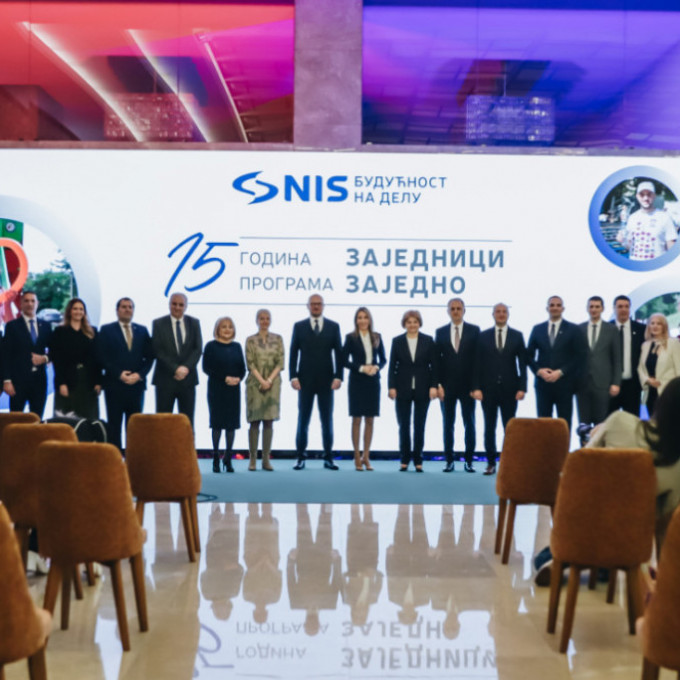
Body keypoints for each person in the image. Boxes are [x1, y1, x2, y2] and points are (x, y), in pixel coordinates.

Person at [587, 375, 680, 523]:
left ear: (662, 402)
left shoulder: (619, 421)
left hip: (590, 520)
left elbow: (580, 465)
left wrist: (599, 435)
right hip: (642, 532)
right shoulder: (676, 466)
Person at [471, 303, 527, 475]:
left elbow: (522, 364)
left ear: (508, 314)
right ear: (493, 314)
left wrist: (522, 387)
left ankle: (508, 462)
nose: (501, 314)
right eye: (498, 312)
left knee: (509, 428)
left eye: (504, 312)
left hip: (510, 389)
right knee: (489, 427)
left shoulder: (517, 336)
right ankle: (490, 462)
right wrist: (476, 388)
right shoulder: (483, 336)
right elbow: (476, 364)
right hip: (487, 390)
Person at [289, 294, 343, 471]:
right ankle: (300, 457)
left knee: (327, 420)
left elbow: (339, 354)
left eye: (319, 304)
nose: (316, 306)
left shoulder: (334, 327)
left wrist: (338, 376)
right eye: (313, 304)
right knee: (303, 419)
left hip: (327, 381)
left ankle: (328, 458)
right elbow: (293, 352)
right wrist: (293, 376)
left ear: (323, 306)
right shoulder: (299, 326)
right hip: (304, 381)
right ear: (308, 306)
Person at [97, 297, 154, 450]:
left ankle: (133, 460)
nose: (127, 309)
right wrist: (119, 374)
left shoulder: (142, 330)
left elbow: (150, 357)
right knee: (114, 426)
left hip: (136, 387)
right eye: (124, 307)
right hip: (114, 386)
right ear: (117, 310)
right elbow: (102, 357)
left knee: (134, 427)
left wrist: (140, 375)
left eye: (130, 307)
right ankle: (115, 460)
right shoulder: (106, 330)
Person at [527, 295, 587, 431]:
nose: (555, 308)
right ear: (547, 308)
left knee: (564, 424)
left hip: (565, 385)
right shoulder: (537, 329)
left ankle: (564, 447)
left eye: (558, 305)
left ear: (563, 308)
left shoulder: (573, 329)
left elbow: (580, 356)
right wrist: (539, 371)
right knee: (543, 425)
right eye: (552, 305)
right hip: (543, 385)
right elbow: (528, 356)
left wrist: (561, 372)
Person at [388, 310, 438, 472]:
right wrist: (391, 387)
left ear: (419, 323)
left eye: (415, 322)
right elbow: (392, 366)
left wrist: (433, 386)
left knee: (419, 425)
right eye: (409, 322)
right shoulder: (397, 341)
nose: (412, 325)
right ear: (404, 324)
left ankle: (418, 459)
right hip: (402, 388)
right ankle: (404, 459)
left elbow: (434, 366)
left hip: (423, 388)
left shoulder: (428, 340)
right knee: (404, 425)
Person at [435, 298, 479, 473]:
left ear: (464, 310)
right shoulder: (440, 332)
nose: (455, 311)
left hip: (468, 387)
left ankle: (469, 461)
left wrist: (476, 386)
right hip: (447, 387)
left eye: (458, 308)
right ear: (448, 311)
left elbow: (477, 361)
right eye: (452, 308)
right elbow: (436, 362)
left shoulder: (474, 331)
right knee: (448, 424)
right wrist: (438, 385)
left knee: (470, 423)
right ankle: (449, 461)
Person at [342, 307, 386, 471]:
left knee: (370, 419)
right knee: (356, 419)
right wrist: (361, 368)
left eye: (365, 317)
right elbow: (343, 360)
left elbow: (383, 359)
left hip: (373, 381)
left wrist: (376, 367)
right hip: (357, 381)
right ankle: (356, 456)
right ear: (356, 320)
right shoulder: (350, 338)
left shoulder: (377, 337)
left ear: (369, 320)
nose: (362, 320)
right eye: (359, 318)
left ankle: (366, 456)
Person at [151, 292, 203, 429]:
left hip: (188, 380)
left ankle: (187, 445)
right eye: (174, 304)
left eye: (181, 305)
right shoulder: (158, 323)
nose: (177, 307)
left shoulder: (194, 323)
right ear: (169, 304)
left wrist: (185, 368)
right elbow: (157, 350)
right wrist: (175, 368)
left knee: (187, 423)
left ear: (186, 306)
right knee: (162, 423)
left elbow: (198, 349)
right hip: (165, 380)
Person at [202, 317, 246, 473]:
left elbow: (242, 368)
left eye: (230, 327)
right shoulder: (210, 346)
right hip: (216, 389)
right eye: (224, 327)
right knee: (217, 424)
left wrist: (238, 378)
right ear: (217, 329)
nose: (227, 329)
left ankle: (227, 458)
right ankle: (215, 457)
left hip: (233, 390)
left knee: (231, 425)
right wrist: (224, 378)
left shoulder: (237, 346)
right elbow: (206, 368)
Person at [576, 296, 621, 441]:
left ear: (602, 309)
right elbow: (574, 357)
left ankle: (599, 452)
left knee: (601, 424)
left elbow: (617, 358)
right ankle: (583, 452)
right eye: (591, 306)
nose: (594, 309)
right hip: (582, 384)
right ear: (587, 308)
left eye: (597, 306)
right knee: (583, 425)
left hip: (603, 383)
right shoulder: (579, 329)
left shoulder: (611, 329)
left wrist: (616, 382)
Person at [2, 290, 52, 417]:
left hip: (39, 382)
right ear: (21, 304)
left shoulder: (46, 326)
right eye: (26, 301)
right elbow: (5, 355)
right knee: (15, 420)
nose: (30, 304)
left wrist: (45, 358)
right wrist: (6, 381)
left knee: (37, 419)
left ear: (37, 303)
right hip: (17, 382)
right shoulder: (12, 326)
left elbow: (56, 351)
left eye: (33, 301)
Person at [245, 309, 284, 472]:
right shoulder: (250, 340)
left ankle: (266, 460)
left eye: (267, 318)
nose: (265, 321)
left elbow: (280, 362)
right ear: (257, 320)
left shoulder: (278, 339)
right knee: (254, 422)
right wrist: (261, 381)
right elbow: (250, 363)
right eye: (261, 318)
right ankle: (253, 460)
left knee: (269, 421)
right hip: (255, 384)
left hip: (272, 384)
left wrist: (268, 381)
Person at [50, 297, 102, 419]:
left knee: (89, 418)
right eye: (75, 309)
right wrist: (61, 383)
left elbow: (98, 359)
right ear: (69, 311)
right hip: (68, 381)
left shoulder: (92, 332)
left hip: (88, 382)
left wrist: (98, 382)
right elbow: (57, 360)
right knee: (67, 419)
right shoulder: (60, 332)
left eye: (81, 309)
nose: (78, 312)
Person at [616, 181, 677, 261]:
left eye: (649, 194)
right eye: (642, 195)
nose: (645, 198)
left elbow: (672, 248)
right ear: (637, 196)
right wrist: (622, 241)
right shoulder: (632, 218)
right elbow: (632, 247)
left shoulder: (664, 217)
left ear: (654, 196)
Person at [609, 294, 646, 416]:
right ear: (614, 308)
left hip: (632, 386)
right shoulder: (606, 328)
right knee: (609, 422)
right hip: (610, 386)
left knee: (632, 423)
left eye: (626, 306)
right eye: (620, 306)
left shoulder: (641, 329)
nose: (623, 309)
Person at [638, 313, 680, 417]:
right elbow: (640, 368)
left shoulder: (674, 343)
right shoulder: (645, 345)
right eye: (652, 323)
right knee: (653, 423)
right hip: (650, 393)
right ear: (648, 326)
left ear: (664, 326)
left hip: (669, 393)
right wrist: (647, 380)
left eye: (659, 323)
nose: (655, 326)